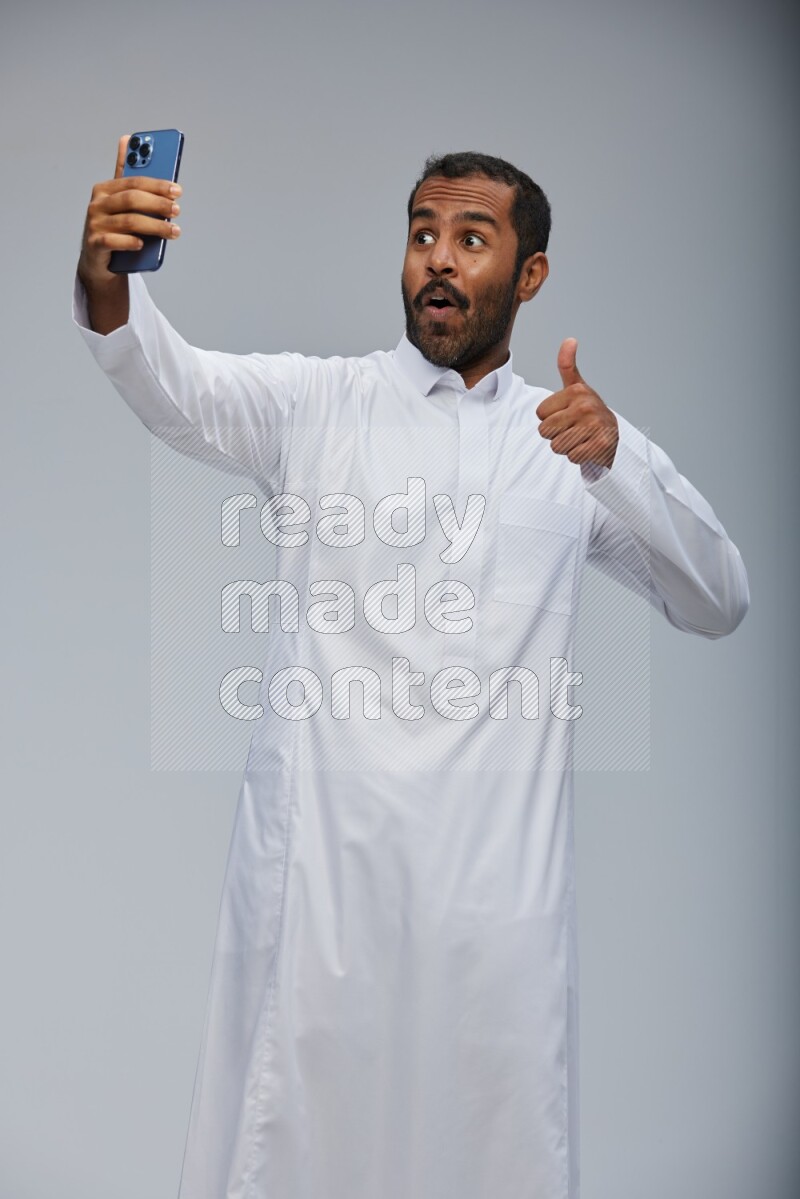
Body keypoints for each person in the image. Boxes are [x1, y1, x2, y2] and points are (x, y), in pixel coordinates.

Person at [74, 140, 750, 1199]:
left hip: (493, 920)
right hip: (320, 904)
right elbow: (173, 383)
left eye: (471, 240)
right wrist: (107, 282)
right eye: (422, 233)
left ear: (528, 275)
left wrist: (617, 463)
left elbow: (717, 596)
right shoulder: (319, 406)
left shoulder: (566, 446)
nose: (436, 259)